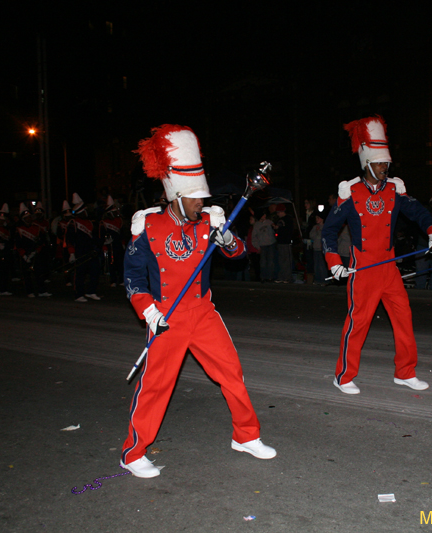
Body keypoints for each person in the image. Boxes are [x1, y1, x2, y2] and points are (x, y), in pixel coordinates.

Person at [121, 124, 275, 478]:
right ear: (176, 196)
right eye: (195, 198)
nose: (201, 203)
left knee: (231, 373)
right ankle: (133, 453)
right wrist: (148, 311)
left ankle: (246, 435)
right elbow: (132, 278)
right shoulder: (148, 227)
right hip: (166, 317)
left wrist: (228, 241)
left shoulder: (209, 222)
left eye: (202, 198)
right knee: (156, 386)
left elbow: (239, 255)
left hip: (203, 312)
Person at [322, 115, 432, 394]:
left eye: (386, 163)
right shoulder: (350, 192)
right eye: (379, 163)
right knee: (358, 323)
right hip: (363, 268)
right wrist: (334, 262)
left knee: (404, 317)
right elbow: (329, 231)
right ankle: (343, 376)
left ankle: (405, 372)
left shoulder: (394, 190)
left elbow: (420, 212)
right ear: (367, 164)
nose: (384, 168)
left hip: (389, 268)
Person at [65, 193, 102, 302]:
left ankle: (91, 291)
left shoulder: (90, 222)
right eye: (85, 211)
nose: (87, 212)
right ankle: (78, 294)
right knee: (80, 273)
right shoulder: (73, 223)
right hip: (79, 252)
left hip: (91, 252)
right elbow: (69, 239)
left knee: (95, 271)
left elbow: (94, 237)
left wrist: (101, 243)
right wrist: (71, 253)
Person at [15, 203, 51, 298]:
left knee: (39, 273)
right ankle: (29, 291)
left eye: (29, 217)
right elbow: (18, 244)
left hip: (35, 253)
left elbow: (41, 241)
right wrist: (24, 255)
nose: (29, 219)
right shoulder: (19, 229)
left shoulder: (37, 228)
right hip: (25, 255)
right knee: (26, 274)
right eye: (26, 218)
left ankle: (42, 291)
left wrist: (36, 251)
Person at [251, 209, 276, 282]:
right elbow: (254, 237)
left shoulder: (269, 222)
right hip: (262, 245)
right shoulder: (256, 225)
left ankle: (270, 277)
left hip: (271, 244)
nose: (265, 215)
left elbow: (274, 230)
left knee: (271, 262)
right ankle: (263, 277)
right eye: (263, 214)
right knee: (263, 262)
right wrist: (257, 246)